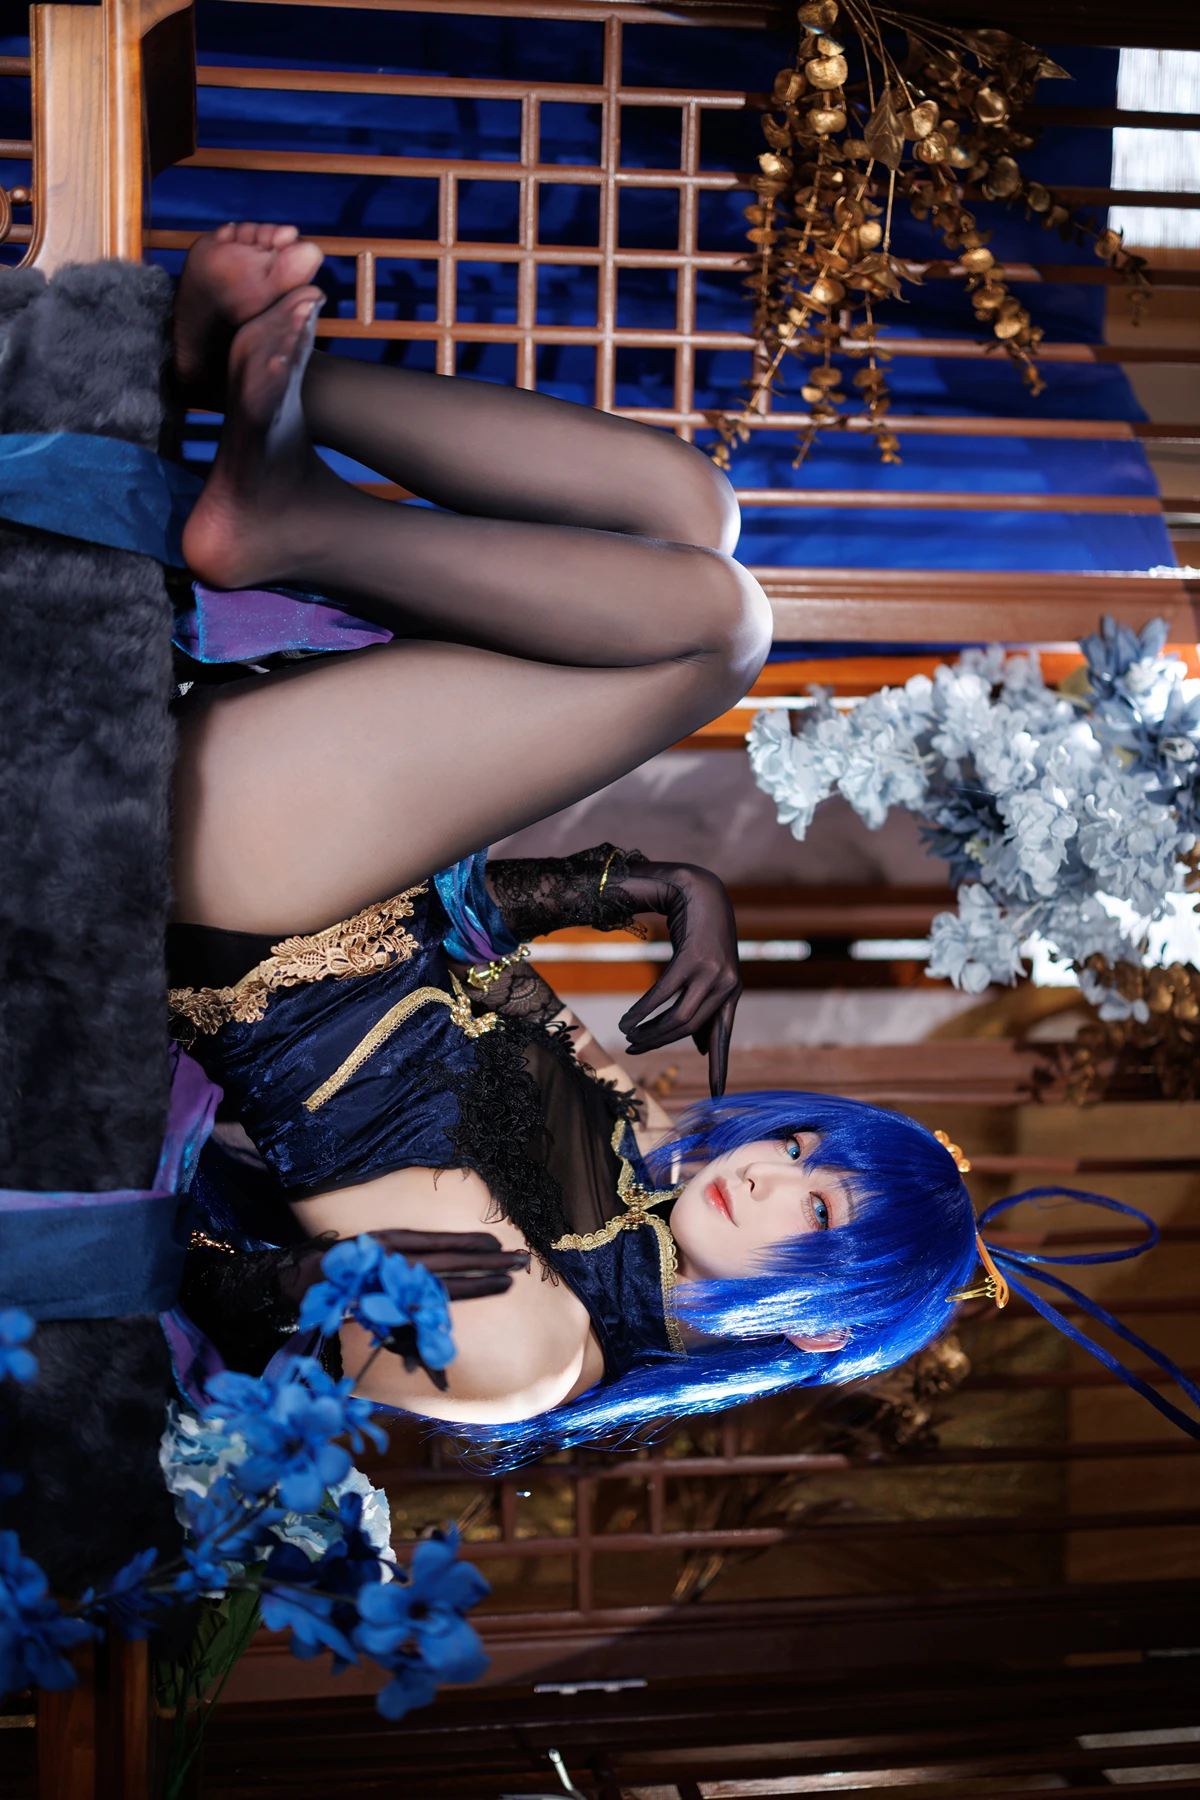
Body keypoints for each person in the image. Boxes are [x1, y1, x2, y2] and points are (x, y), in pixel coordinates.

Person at [166, 226, 1200, 1466]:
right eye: (803, 1151)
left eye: (818, 1210)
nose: (767, 1175)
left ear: (817, 1329)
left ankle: (285, 514)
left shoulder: (535, 1358)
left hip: (244, 900)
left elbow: (212, 1281)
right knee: (698, 510)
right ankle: (234, 392)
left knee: (724, 630)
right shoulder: (632, 1151)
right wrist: (648, 885)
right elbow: (463, 945)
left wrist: (307, 1286)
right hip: (330, 852)